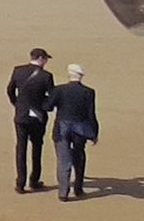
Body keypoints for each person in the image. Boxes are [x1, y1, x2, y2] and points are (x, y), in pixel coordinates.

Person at [46, 63, 99, 201]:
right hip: (80, 129)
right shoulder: (88, 92)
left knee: (63, 160)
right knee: (79, 157)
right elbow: (91, 114)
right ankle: (78, 188)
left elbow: (48, 106)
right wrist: (94, 133)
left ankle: (63, 192)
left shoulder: (59, 90)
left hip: (62, 128)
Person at [6, 47, 54, 193]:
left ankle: (20, 183)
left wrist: (17, 103)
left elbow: (10, 90)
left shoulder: (18, 70)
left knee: (21, 148)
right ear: (40, 58)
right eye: (45, 59)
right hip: (38, 117)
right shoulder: (46, 76)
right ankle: (34, 180)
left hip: (21, 115)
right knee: (37, 147)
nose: (46, 62)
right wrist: (44, 105)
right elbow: (51, 97)